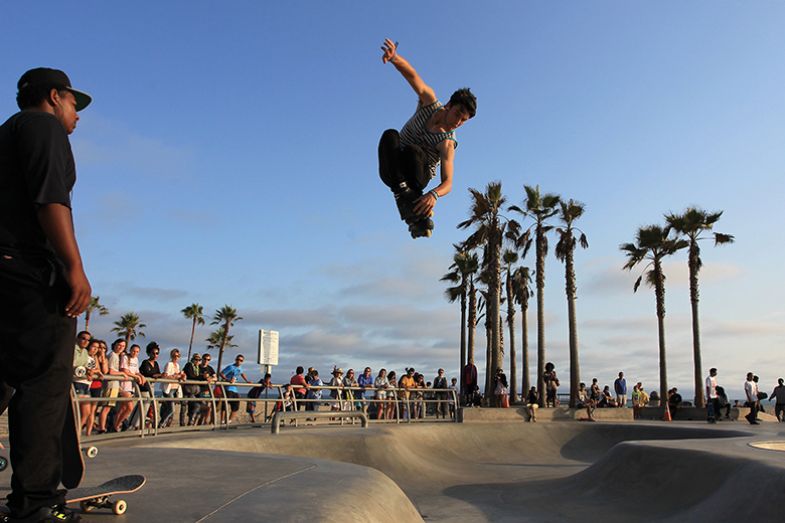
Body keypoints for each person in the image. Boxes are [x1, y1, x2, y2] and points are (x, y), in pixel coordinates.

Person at [0, 66, 92, 522]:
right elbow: (50, 199)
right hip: (29, 273)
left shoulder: (6, 134)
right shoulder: (44, 128)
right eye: (75, 104)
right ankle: (34, 503)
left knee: (3, 375)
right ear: (54, 97)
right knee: (42, 381)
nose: (77, 116)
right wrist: (74, 268)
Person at [378, 38, 477, 238]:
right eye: (458, 114)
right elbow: (412, 76)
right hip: (394, 168)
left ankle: (408, 198)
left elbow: (448, 182)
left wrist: (434, 194)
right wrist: (394, 58)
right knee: (390, 135)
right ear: (449, 104)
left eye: (463, 121)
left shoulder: (448, 143)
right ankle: (407, 201)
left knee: (415, 151)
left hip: (417, 175)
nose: (458, 122)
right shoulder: (429, 102)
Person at [220, 354, 251, 423]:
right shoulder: (231, 367)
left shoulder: (240, 368)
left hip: (234, 389)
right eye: (238, 360)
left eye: (241, 360)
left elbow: (242, 373)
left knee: (236, 406)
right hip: (228, 388)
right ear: (235, 360)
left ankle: (229, 421)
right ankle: (222, 421)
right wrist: (228, 380)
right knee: (224, 405)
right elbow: (221, 373)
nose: (239, 361)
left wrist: (246, 381)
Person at [160, 348, 185, 427]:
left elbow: (177, 376)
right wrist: (176, 376)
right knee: (171, 409)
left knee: (168, 408)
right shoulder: (169, 364)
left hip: (175, 389)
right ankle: (161, 423)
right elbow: (165, 376)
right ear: (172, 356)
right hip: (168, 388)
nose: (177, 357)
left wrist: (181, 376)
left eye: (178, 356)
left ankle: (164, 423)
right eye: (175, 356)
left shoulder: (177, 365)